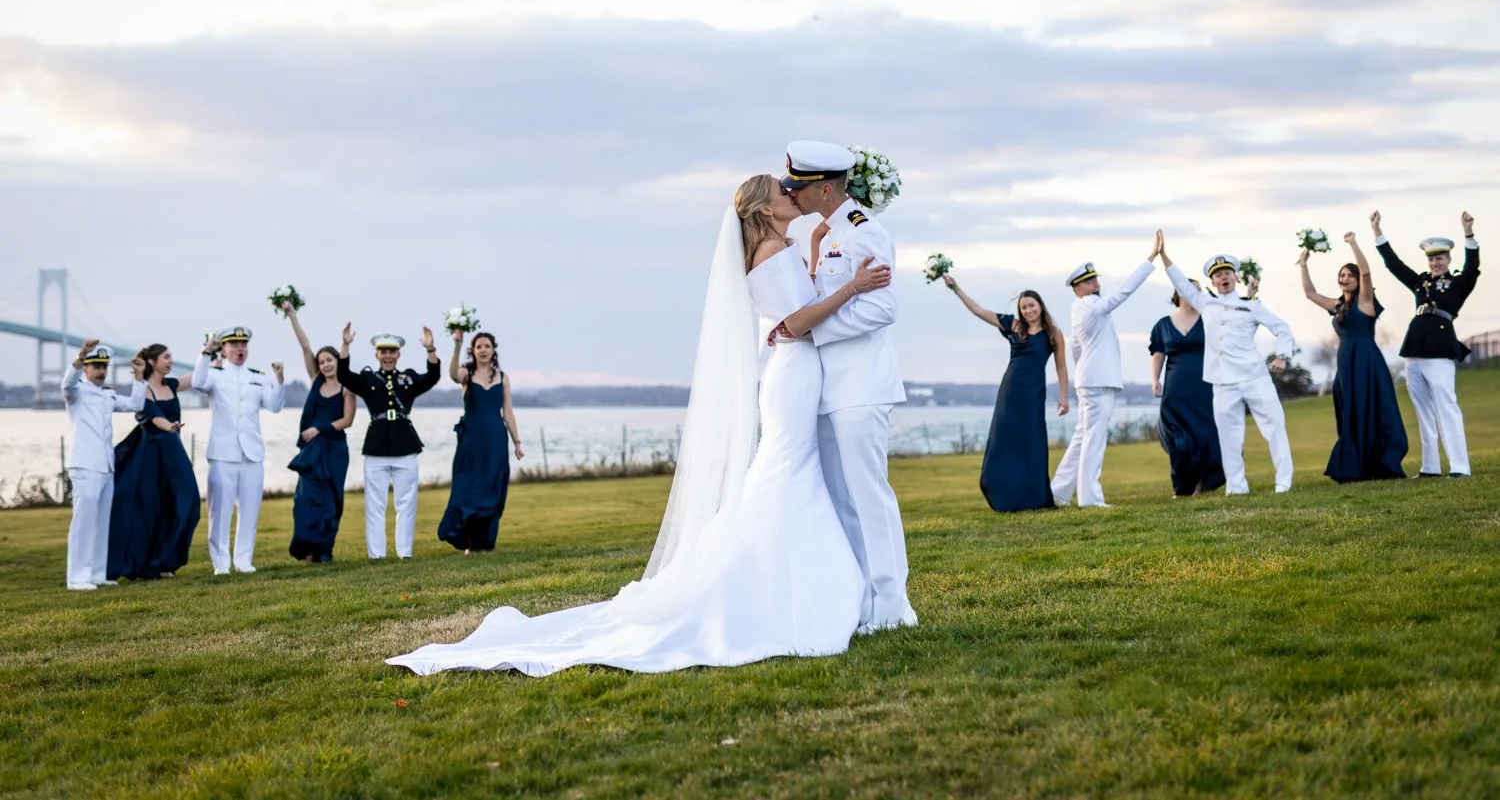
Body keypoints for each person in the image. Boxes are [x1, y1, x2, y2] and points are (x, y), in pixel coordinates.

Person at [388, 174, 890, 675]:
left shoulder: (778, 250)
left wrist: (817, 249)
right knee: (786, 470)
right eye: (783, 193)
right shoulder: (767, 254)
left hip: (795, 372)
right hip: (794, 372)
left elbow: (790, 305)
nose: (792, 195)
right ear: (764, 210)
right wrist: (853, 286)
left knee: (784, 472)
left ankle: (775, 577)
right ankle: (769, 586)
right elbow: (797, 321)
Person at [782, 140, 915, 633]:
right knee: (841, 500)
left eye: (798, 187)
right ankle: (861, 603)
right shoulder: (829, 233)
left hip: (861, 384)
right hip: (827, 388)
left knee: (868, 496)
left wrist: (814, 330)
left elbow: (883, 309)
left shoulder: (864, 231)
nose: (791, 194)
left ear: (822, 188)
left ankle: (894, 607)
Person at [1159, 233, 1296, 494]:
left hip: (1254, 377)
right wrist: (1164, 256)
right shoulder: (1205, 301)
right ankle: (1236, 486)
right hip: (1222, 382)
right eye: (1218, 274)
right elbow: (1180, 281)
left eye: (1227, 273)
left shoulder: (1251, 305)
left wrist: (1282, 355)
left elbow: (1282, 329)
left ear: (1235, 278)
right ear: (1211, 280)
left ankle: (1284, 482)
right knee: (1229, 437)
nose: (1223, 278)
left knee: (1274, 428)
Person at [943, 278, 1068, 511]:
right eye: (1024, 307)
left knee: (1032, 442)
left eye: (1031, 305)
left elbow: (1061, 367)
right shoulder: (1013, 326)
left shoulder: (1054, 334)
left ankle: (1036, 497)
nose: (1028, 310)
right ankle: (1005, 494)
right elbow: (979, 311)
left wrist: (1064, 396)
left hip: (1033, 394)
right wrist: (957, 289)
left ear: (1040, 306)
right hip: (1010, 392)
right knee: (1005, 442)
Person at [1372, 210, 1480, 478]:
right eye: (1431, 259)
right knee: (1423, 410)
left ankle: (1460, 467)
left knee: (1447, 406)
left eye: (1439, 258)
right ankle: (1430, 467)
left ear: (1448, 259)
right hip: (1415, 351)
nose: (1435, 263)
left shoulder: (1458, 283)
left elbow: (1472, 266)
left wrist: (1468, 233)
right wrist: (1377, 232)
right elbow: (1394, 265)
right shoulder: (1420, 281)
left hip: (1441, 351)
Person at [1050, 243, 1158, 508]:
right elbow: (1123, 292)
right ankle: (1090, 498)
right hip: (1098, 383)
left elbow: (1076, 347)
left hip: (1090, 380)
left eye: (1095, 279)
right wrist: (1150, 259)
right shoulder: (1091, 305)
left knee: (1081, 438)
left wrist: (1084, 372)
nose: (1095, 283)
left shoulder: (1081, 308)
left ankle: (1058, 493)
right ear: (1078, 289)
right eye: (1088, 281)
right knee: (1093, 440)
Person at [1299, 234, 1408, 483]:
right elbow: (1309, 293)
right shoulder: (1337, 306)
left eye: (1349, 274)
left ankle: (1382, 463)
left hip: (1367, 363)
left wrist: (1352, 243)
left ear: (1357, 280)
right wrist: (1304, 265)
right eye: (1342, 275)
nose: (1345, 278)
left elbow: (1367, 272)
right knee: (1351, 412)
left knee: (1373, 409)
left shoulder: (1365, 301)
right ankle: (1355, 466)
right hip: (1346, 365)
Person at [338, 325, 442, 561]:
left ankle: (404, 553)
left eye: (391, 352)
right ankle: (377, 555)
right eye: (383, 352)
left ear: (398, 355)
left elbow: (433, 376)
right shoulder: (368, 379)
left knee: (406, 503)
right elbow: (344, 376)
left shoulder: (408, 379)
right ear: (376, 355)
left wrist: (430, 349)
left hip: (405, 446)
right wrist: (345, 345)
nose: (387, 356)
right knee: (375, 505)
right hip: (376, 448)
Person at [192, 327, 285, 575]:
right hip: (223, 452)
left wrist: (279, 379)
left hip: (252, 453)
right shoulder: (214, 373)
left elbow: (274, 406)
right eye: (233, 345)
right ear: (224, 348)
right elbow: (197, 383)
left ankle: (243, 561)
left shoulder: (258, 375)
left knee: (250, 511)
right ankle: (221, 563)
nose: (239, 349)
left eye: (243, 345)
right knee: (219, 512)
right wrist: (205, 353)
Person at [108, 344, 202, 580]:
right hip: (150, 455)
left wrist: (208, 352)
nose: (171, 361)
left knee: (187, 501)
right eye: (166, 357)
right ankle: (149, 565)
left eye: (171, 357)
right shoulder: (144, 389)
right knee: (151, 511)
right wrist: (169, 426)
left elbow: (197, 377)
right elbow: (150, 415)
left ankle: (165, 560)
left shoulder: (171, 385)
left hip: (173, 452)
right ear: (153, 362)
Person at [61, 342, 146, 590]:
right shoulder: (76, 392)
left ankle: (97, 573)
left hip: (106, 465)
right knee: (83, 522)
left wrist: (139, 376)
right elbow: (66, 384)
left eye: (104, 367)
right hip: (85, 464)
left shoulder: (107, 394)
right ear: (85, 368)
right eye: (96, 366)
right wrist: (79, 357)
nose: (101, 371)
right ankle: (77, 577)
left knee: (100, 522)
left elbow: (136, 405)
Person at [439, 329, 525, 554]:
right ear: (473, 350)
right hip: (471, 441)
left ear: (493, 349)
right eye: (479, 346)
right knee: (468, 488)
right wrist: (457, 345)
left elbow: (508, 412)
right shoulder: (466, 373)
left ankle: (485, 543)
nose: (483, 350)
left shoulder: (502, 377)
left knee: (492, 488)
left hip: (495, 439)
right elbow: (451, 375)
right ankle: (467, 541)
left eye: (487, 346)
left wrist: (517, 442)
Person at [283, 304, 356, 562]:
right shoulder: (315, 381)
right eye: (321, 361)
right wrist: (292, 315)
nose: (325, 364)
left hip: (335, 449)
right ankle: (307, 548)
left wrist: (319, 429)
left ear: (337, 361)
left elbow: (347, 420)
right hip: (312, 452)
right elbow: (305, 347)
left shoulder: (347, 387)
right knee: (306, 502)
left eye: (329, 360)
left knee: (332, 502)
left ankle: (324, 550)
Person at [1149, 283, 1226, 496]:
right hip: (1175, 391)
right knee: (1179, 440)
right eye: (1187, 289)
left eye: (1197, 290)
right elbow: (1158, 354)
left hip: (1204, 387)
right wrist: (1155, 380)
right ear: (1177, 294)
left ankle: (1204, 484)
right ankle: (1183, 487)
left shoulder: (1209, 319)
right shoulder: (1163, 324)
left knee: (1206, 435)